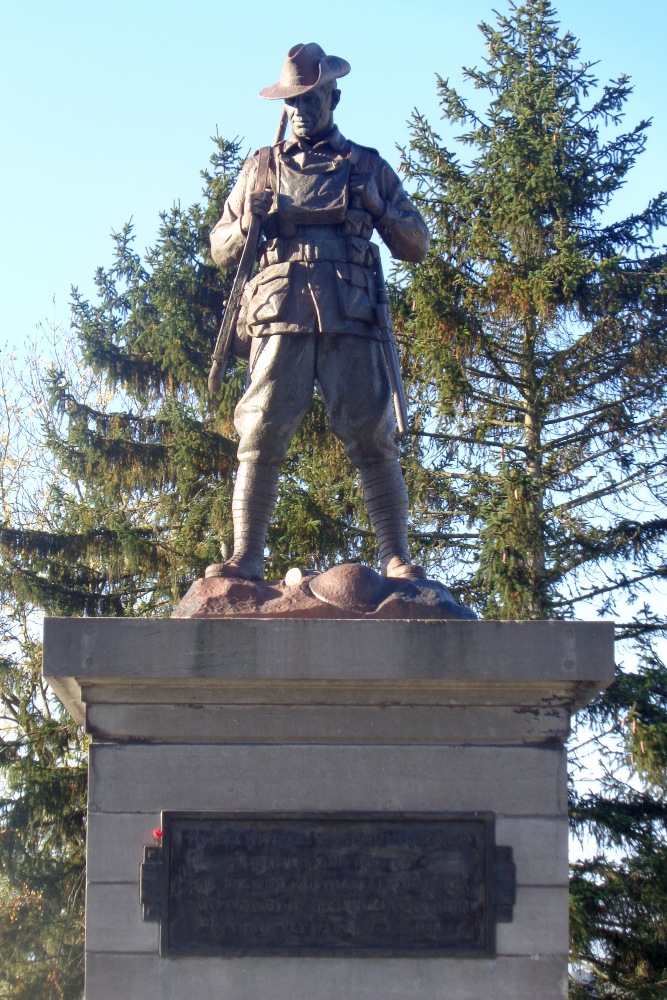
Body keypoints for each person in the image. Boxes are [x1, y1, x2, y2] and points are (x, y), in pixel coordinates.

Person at [208, 42, 430, 582]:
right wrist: (246, 226)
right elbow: (219, 247)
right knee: (259, 432)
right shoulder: (259, 169)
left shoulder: (366, 167)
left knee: (372, 435)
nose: (302, 111)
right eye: (293, 103)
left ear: (334, 96)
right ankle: (247, 556)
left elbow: (416, 242)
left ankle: (395, 556)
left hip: (349, 311)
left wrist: (377, 207)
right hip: (279, 310)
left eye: (311, 100)